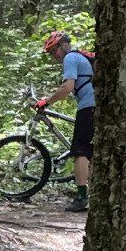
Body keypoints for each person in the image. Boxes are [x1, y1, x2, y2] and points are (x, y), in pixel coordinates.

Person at [38, 27, 95, 210]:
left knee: (80, 152)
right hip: (96, 105)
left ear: (63, 45)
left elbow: (67, 87)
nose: (54, 55)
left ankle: (81, 198)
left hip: (88, 106)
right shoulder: (80, 56)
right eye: (51, 52)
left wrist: (46, 102)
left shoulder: (70, 58)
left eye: (54, 50)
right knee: (91, 154)